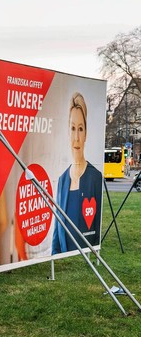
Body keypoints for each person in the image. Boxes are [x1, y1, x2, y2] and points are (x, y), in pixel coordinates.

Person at [52, 92, 102, 254]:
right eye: (73, 128)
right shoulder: (62, 180)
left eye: (80, 129)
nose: (76, 137)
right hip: (64, 266)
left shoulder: (95, 177)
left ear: (86, 133)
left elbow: (97, 228)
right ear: (68, 132)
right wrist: (54, 259)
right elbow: (57, 231)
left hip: (84, 261)